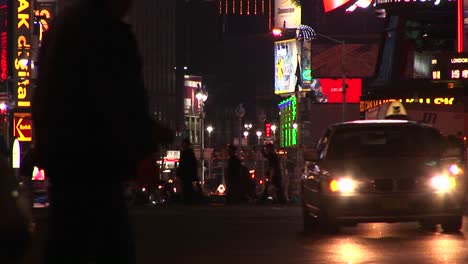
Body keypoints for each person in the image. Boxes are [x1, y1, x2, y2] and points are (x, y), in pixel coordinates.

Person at [31, 0, 172, 263]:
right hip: (96, 164)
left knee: (65, 242)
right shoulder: (108, 32)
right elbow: (121, 99)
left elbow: (43, 94)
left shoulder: (62, 24)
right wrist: (145, 147)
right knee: (109, 243)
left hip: (63, 161)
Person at [176, 139, 200, 205]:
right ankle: (188, 200)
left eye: (183, 143)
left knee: (187, 187)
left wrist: (178, 173)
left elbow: (182, 164)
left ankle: (187, 200)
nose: (182, 145)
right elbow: (193, 164)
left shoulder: (186, 153)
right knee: (187, 187)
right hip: (187, 174)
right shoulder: (189, 153)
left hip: (186, 174)